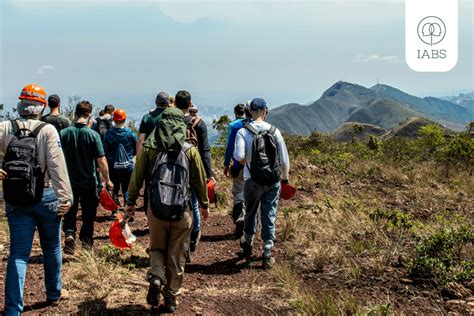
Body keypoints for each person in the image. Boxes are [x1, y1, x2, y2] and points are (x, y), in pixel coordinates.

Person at [125, 92, 209, 312]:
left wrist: (130, 202)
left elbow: (137, 177)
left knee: (157, 247)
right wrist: (205, 204)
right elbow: (199, 180)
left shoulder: (150, 148)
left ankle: (156, 275)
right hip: (183, 211)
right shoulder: (190, 150)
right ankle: (171, 298)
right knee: (177, 255)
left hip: (156, 208)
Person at [0, 84, 73, 315]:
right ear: (41, 106)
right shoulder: (47, 130)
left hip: (16, 197)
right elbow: (56, 165)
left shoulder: (4, 127)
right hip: (47, 195)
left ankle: (13, 309)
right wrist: (66, 197)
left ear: (20, 104)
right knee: (51, 246)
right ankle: (53, 292)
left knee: (19, 253)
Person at [234, 97, 290, 269]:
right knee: (269, 214)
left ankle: (248, 242)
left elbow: (240, 156)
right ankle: (267, 252)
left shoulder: (243, 132)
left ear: (250, 111)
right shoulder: (275, 131)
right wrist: (285, 178)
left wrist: (250, 163)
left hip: (252, 180)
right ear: (265, 111)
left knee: (250, 212)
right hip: (272, 181)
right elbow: (284, 159)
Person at [61, 101, 113, 254]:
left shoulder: (64, 133)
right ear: (89, 115)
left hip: (69, 181)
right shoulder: (93, 135)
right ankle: (86, 243)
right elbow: (101, 160)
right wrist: (108, 179)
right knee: (88, 214)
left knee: (70, 210)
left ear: (75, 114)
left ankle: (70, 234)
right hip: (89, 181)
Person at [183, 98, 215, 255]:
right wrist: (210, 174)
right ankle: (194, 233)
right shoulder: (200, 124)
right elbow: (205, 150)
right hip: (197, 169)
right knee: (195, 204)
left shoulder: (178, 121)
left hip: (179, 169)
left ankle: (182, 238)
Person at [223, 103, 252, 235]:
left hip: (238, 164)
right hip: (255, 167)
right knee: (252, 194)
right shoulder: (262, 127)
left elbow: (230, 146)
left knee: (238, 191)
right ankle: (251, 223)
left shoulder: (234, 126)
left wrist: (226, 164)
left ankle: (239, 216)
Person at [103, 108, 137, 203]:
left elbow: (105, 151)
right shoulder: (130, 133)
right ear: (125, 119)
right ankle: (128, 210)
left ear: (114, 120)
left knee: (115, 188)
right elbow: (137, 147)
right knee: (126, 188)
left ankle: (115, 211)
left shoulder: (108, 134)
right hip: (128, 165)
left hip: (113, 165)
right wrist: (132, 158)